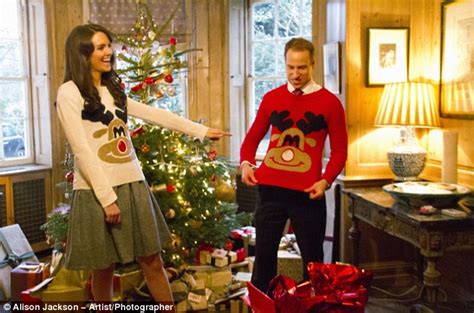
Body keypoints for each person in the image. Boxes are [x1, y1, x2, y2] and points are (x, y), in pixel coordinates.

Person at [56, 24, 230, 311]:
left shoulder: (112, 90)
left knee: (152, 260)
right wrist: (107, 198)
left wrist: (200, 130)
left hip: (133, 184)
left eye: (108, 46)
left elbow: (153, 114)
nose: (108, 52)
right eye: (100, 47)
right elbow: (82, 150)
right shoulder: (69, 92)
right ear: (82, 53)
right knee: (103, 267)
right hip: (97, 190)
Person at [240, 37, 348, 293]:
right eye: (290, 67)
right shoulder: (271, 98)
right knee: (264, 257)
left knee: (313, 261)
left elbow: (340, 151)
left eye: (301, 67)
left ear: (312, 64)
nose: (295, 74)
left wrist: (326, 180)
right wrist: (245, 164)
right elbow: (252, 138)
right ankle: (262, 308)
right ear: (285, 64)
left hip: (308, 192)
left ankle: (314, 308)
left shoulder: (330, 103)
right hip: (270, 191)